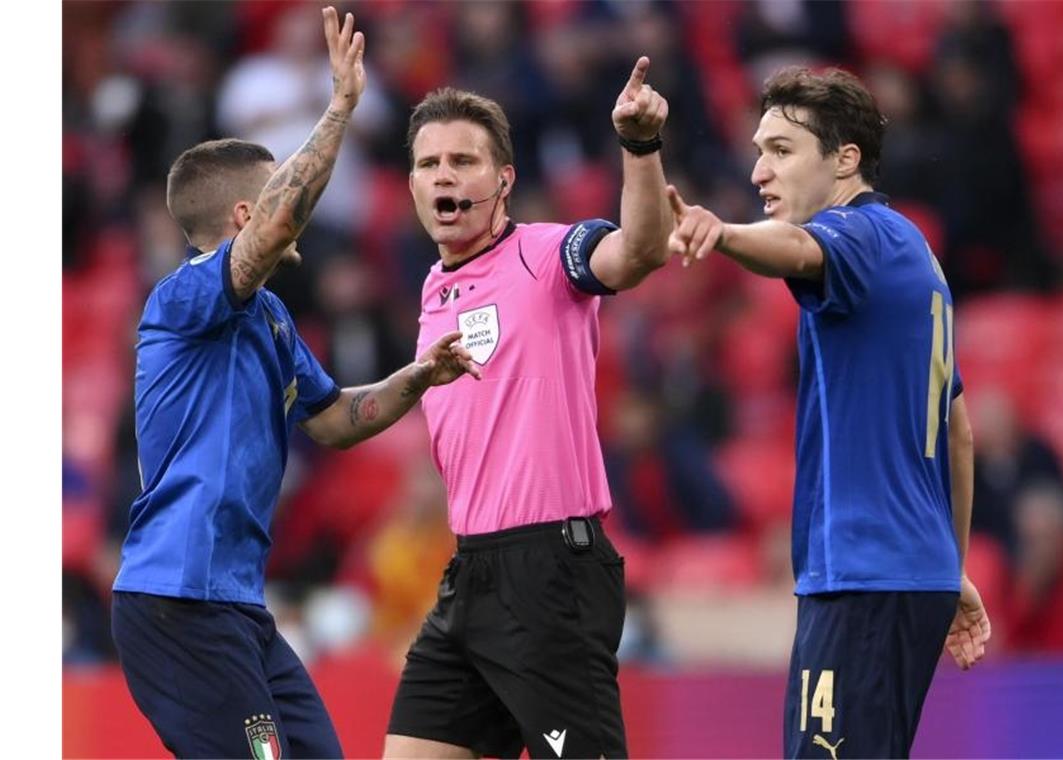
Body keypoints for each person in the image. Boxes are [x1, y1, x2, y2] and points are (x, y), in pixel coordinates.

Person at [110, 8, 479, 758]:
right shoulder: (179, 301)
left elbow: (334, 420)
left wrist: (420, 375)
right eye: (281, 189)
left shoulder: (272, 318)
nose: (299, 209)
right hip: (177, 600)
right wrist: (339, 106)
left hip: (238, 606)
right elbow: (275, 230)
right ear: (248, 213)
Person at [666, 66, 992, 758]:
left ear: (845, 159)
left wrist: (720, 232)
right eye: (758, 151)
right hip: (903, 573)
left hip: (865, 578)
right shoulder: (914, 255)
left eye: (781, 151)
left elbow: (797, 248)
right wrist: (949, 566)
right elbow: (956, 433)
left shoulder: (860, 236)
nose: (759, 171)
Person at [383, 56, 673, 759]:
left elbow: (638, 252)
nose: (444, 175)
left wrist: (638, 148)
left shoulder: (546, 255)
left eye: (463, 160)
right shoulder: (433, 286)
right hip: (470, 573)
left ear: (504, 180)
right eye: (429, 163)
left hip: (551, 572)